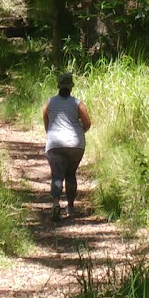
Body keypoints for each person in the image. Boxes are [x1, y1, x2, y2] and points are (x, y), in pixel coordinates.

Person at [42, 72, 91, 221]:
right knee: (71, 174)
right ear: (71, 87)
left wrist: (52, 134)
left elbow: (47, 122)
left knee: (57, 175)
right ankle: (70, 207)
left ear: (58, 86)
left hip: (55, 144)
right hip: (76, 144)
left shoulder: (49, 103)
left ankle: (56, 204)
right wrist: (78, 133)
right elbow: (87, 123)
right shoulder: (78, 103)